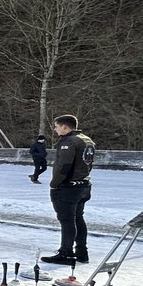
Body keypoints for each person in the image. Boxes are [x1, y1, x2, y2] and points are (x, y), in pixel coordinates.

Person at [42, 114, 96, 265]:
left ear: (64, 127)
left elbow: (64, 166)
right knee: (78, 218)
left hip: (68, 187)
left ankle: (66, 252)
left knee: (67, 220)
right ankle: (82, 252)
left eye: (57, 126)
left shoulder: (69, 141)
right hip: (83, 184)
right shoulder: (86, 140)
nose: (55, 130)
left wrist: (54, 183)